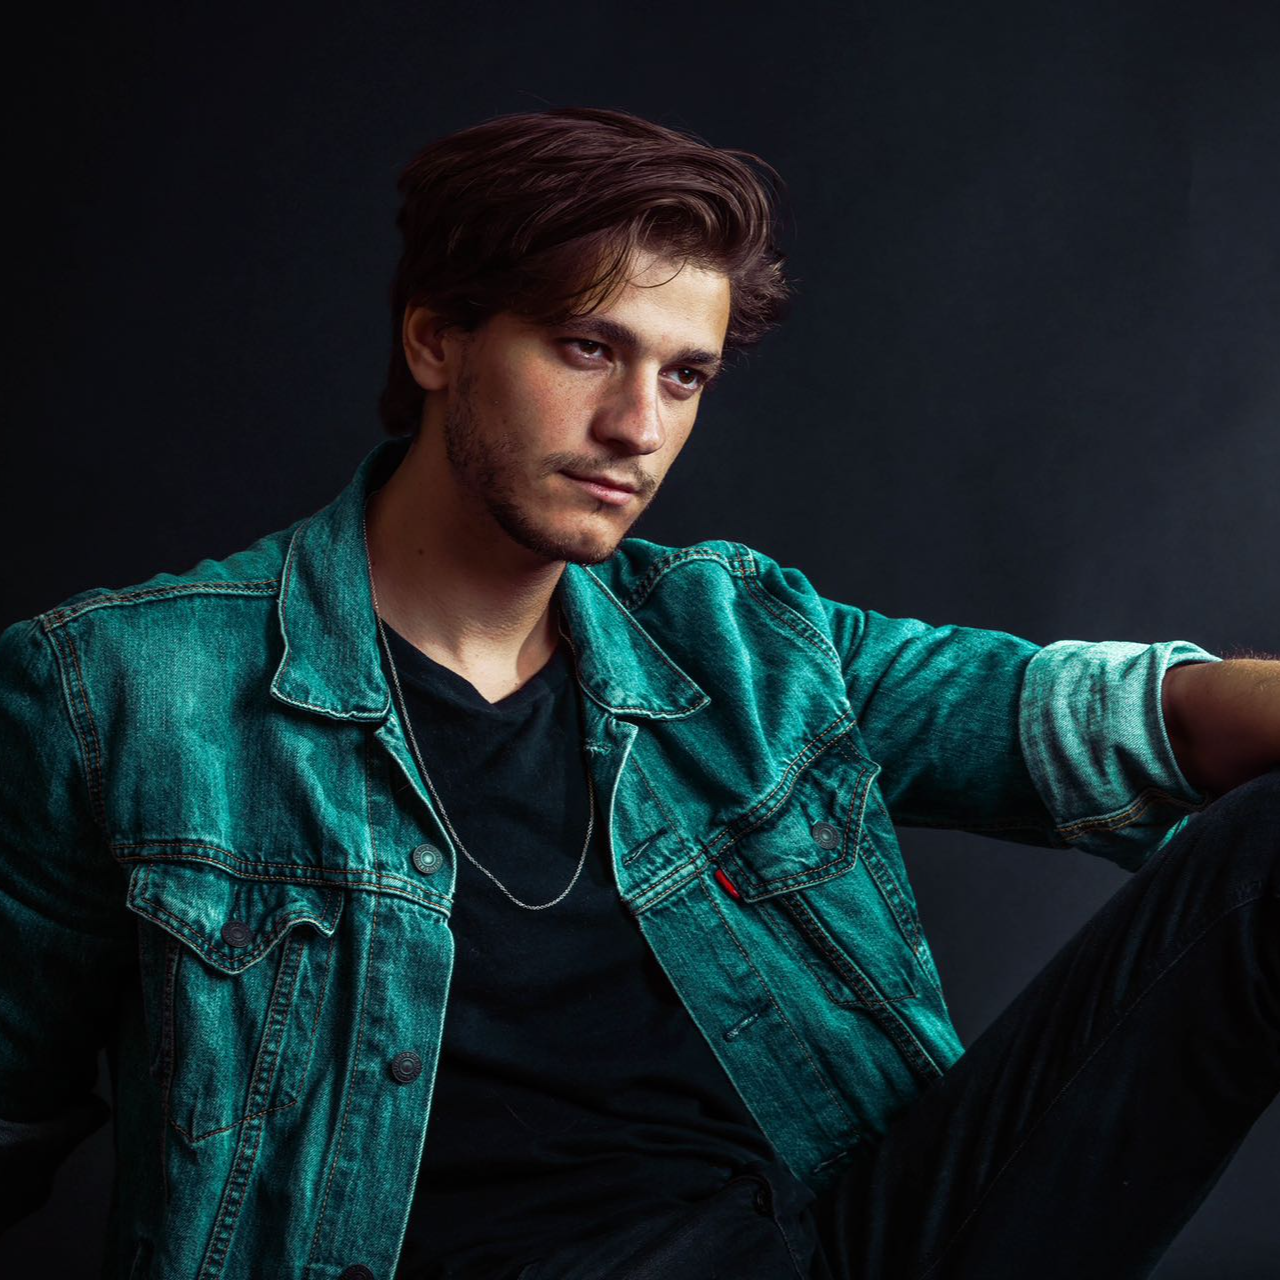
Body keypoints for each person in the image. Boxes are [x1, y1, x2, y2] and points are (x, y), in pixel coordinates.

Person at [0, 106, 1276, 1280]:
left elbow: (1107, 718)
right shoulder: (117, 692)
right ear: (436, 338)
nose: (637, 426)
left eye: (683, 375)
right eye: (586, 347)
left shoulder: (743, 642)